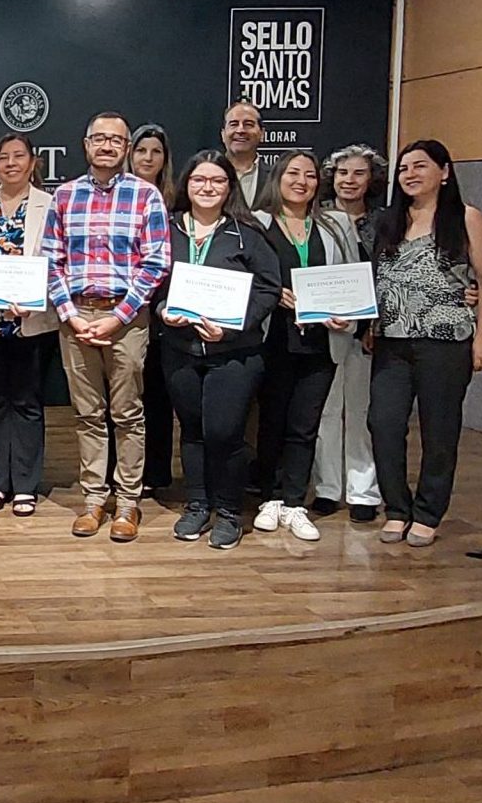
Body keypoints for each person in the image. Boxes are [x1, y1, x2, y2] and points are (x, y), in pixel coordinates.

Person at [41, 112, 170, 542]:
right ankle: (94, 501)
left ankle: (128, 504)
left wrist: (119, 316)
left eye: (116, 140)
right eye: (99, 138)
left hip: (127, 319)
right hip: (76, 317)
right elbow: (51, 261)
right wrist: (71, 315)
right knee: (87, 415)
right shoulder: (64, 196)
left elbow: (156, 263)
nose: (107, 146)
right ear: (85, 144)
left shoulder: (146, 196)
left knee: (128, 414)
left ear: (127, 147)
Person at [368, 140, 482, 547]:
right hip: (391, 342)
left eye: (420, 166)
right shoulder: (390, 221)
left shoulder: (465, 218)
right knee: (383, 424)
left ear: (444, 172)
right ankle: (396, 508)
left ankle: (428, 513)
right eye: (404, 168)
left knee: (439, 431)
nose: (410, 174)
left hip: (446, 342)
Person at [158, 151, 281, 550]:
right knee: (192, 431)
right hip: (180, 349)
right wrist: (162, 310)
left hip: (235, 353)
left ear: (229, 188)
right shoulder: (167, 229)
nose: (207, 188)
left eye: (217, 181)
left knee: (225, 433)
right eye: (199, 180)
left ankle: (228, 511)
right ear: (186, 185)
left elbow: (267, 288)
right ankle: (197, 504)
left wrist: (234, 325)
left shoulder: (246, 233)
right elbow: (153, 281)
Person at [249, 150, 358, 543]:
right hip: (272, 337)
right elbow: (246, 274)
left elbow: (350, 276)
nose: (301, 181)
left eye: (310, 175)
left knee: (305, 423)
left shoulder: (336, 225)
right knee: (272, 420)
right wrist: (273, 292)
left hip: (321, 340)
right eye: (292, 173)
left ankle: (295, 502)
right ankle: (271, 497)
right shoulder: (257, 223)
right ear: (277, 178)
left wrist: (350, 314)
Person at [0, 134, 59, 516]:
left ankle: (24, 485)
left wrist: (34, 298)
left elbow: (59, 259)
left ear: (33, 162)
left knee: (26, 401)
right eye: (2, 157)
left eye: (18, 156)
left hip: (30, 319)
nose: (10, 163)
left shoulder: (51, 205)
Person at [312, 143, 388, 520]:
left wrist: (373, 323)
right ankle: (327, 489)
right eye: (343, 173)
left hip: (368, 332)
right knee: (326, 411)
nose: (349, 180)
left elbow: (390, 277)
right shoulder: (318, 219)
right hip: (322, 328)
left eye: (358, 173)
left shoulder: (386, 222)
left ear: (371, 179)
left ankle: (363, 492)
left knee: (360, 411)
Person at [126, 124, 177, 492]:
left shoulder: (179, 200)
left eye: (155, 151)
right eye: (141, 150)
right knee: (127, 399)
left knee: (158, 397)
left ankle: (155, 474)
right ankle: (124, 473)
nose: (147, 158)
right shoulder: (119, 198)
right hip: (128, 311)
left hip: (170, 313)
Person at [222, 100, 267, 208]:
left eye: (248, 124)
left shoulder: (276, 178)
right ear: (223, 135)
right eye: (234, 124)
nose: (240, 130)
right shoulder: (208, 177)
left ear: (262, 134)